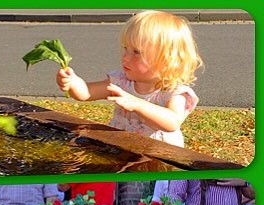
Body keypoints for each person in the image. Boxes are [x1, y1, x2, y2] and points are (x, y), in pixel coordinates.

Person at [56, 10, 201, 147]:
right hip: (122, 149)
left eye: (136, 52)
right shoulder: (122, 82)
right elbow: (86, 93)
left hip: (159, 158)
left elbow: (172, 122)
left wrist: (136, 104)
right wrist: (72, 83)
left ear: (166, 61)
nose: (125, 57)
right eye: (125, 48)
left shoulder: (172, 91)